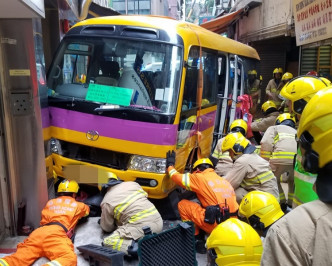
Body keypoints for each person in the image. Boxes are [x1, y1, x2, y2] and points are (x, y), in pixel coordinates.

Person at [261, 86, 332, 265]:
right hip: (303, 199)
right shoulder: (292, 130)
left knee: (272, 179)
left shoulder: (288, 234)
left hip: (307, 208)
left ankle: (281, 201)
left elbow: (265, 146)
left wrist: (265, 164)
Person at [0, 179, 90, 266]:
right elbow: (86, 212)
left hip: (38, 233)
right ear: (74, 194)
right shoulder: (79, 205)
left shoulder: (50, 202)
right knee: (68, 258)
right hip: (56, 234)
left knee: (16, 259)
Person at [166, 153, 239, 253]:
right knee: (203, 206)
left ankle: (195, 238)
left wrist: (170, 165)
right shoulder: (223, 181)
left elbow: (176, 177)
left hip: (216, 224)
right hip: (233, 224)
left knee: (183, 204)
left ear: (198, 170)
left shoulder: (199, 177)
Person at [280, 76, 330, 208]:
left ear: (302, 104)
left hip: (316, 206)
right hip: (303, 204)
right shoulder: (308, 130)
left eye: (291, 102)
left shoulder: (321, 134)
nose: (289, 107)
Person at [100, 172, 162, 256]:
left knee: (108, 241)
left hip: (143, 229)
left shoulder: (107, 201)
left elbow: (107, 228)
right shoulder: (133, 184)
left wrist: (109, 221)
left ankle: (137, 250)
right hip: (158, 222)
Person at [222, 132, 279, 203]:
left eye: (230, 151)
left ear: (237, 148)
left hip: (265, 203)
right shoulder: (252, 156)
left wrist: (214, 181)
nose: (230, 156)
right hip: (270, 201)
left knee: (235, 193)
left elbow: (228, 184)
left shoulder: (243, 161)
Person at [260, 113, 297, 210]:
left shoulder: (274, 128)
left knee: (273, 180)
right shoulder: (296, 131)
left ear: (279, 121)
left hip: (278, 159)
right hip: (295, 162)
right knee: (292, 182)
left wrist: (265, 161)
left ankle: (281, 202)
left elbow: (266, 143)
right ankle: (290, 203)